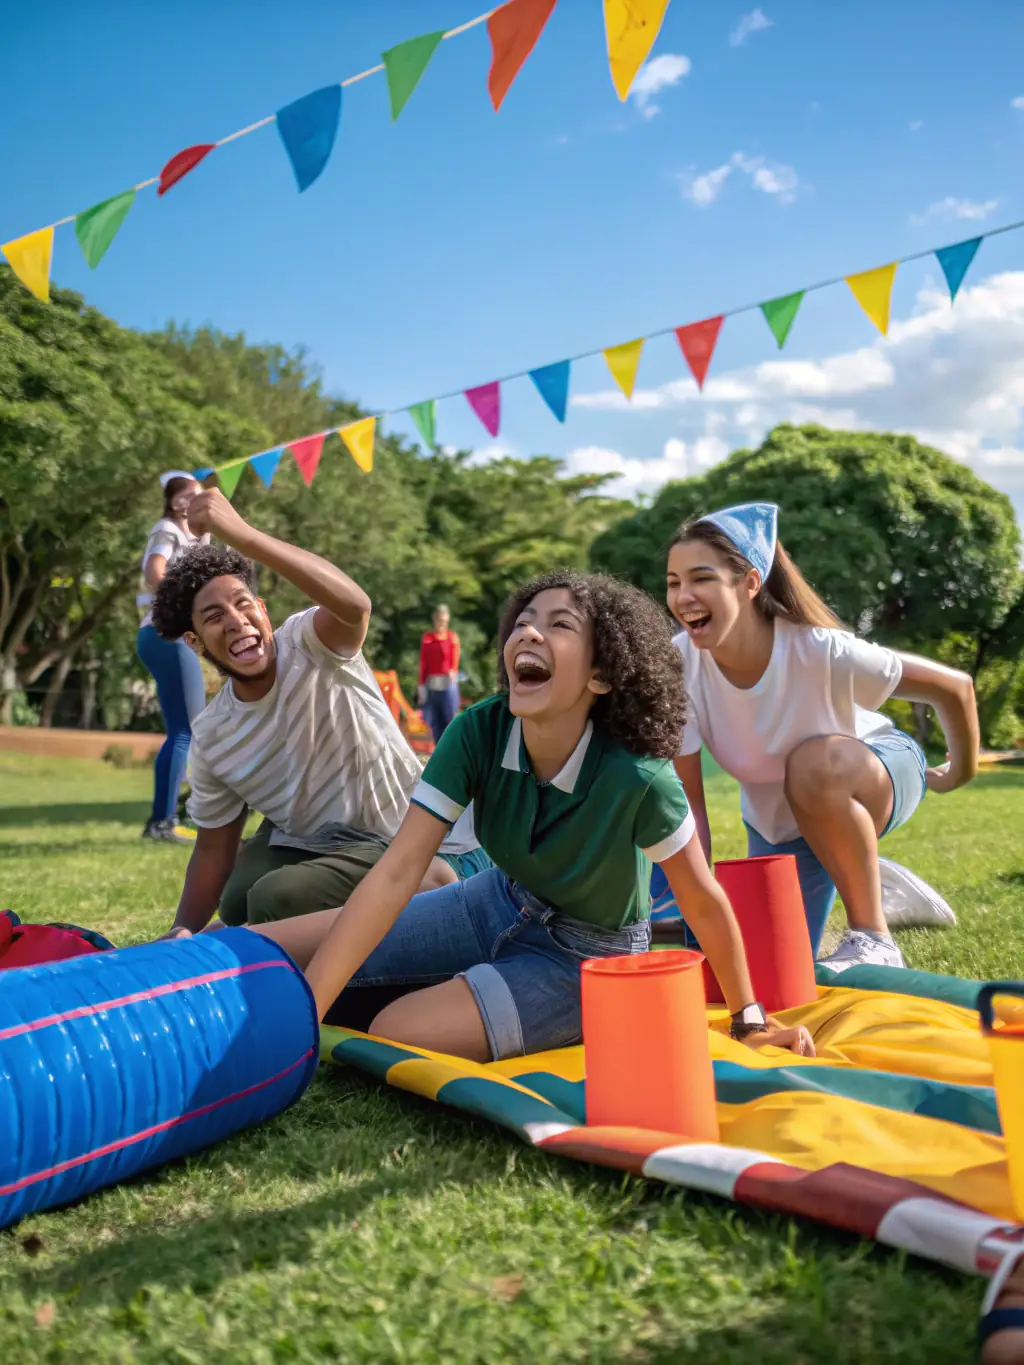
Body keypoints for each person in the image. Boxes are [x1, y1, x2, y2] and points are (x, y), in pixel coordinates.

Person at [246, 570, 814, 1062]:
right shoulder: (478, 731)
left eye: (560, 625)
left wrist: (749, 1020)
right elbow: (396, 873)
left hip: (587, 956)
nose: (528, 630)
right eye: (523, 620)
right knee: (270, 946)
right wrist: (310, 1008)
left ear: (602, 675)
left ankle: (458, 994)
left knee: (395, 1030)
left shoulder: (640, 778)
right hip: (495, 899)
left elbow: (702, 899)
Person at [151, 488, 486, 934]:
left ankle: (437, 885)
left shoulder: (309, 644)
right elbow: (213, 852)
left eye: (243, 603)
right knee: (237, 897)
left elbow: (355, 606)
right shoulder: (214, 736)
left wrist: (243, 536)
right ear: (194, 643)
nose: (236, 620)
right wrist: (180, 935)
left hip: (419, 843)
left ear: (264, 611)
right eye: (213, 617)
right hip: (328, 850)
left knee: (276, 899)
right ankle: (246, 937)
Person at [664, 502, 979, 971]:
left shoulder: (817, 649)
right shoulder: (679, 666)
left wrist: (959, 771)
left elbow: (955, 687)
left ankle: (874, 936)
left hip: (873, 770)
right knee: (772, 973)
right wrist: (694, 906)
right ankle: (881, 884)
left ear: (750, 583)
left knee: (813, 765)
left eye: (701, 578)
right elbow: (689, 805)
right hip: (778, 822)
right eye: (673, 583)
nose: (683, 596)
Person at [136, 471, 209, 844]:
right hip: (167, 635)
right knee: (185, 730)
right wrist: (186, 609)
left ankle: (171, 816)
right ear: (178, 501)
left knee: (187, 730)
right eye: (193, 495)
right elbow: (154, 572)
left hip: (165, 637)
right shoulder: (168, 528)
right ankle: (162, 823)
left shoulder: (197, 537)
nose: (201, 500)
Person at [418, 604, 461, 741]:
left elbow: (455, 659)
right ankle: (438, 751)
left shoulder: (452, 637)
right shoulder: (427, 638)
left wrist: (453, 670)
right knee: (435, 721)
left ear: (447, 620)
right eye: (439, 619)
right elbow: (424, 663)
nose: (441, 623)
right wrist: (421, 685)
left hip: (448, 683)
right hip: (432, 683)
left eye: (443, 620)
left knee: (449, 718)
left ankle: (451, 749)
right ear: (434, 619)